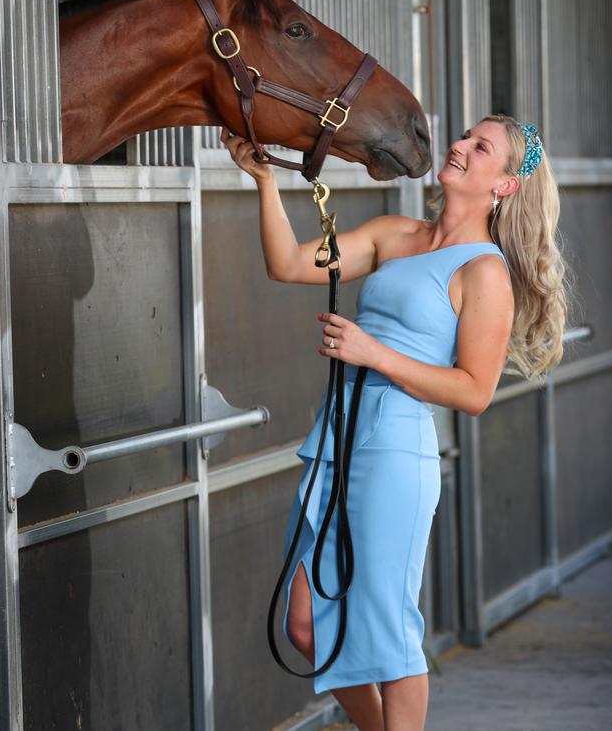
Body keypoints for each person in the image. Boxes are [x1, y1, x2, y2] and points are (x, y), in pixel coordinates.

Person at [220, 115, 567, 731]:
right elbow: (289, 265)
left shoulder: (484, 272)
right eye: (464, 136)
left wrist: (374, 354)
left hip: (396, 457)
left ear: (505, 186)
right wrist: (265, 182)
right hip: (337, 443)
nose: (458, 146)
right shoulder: (393, 233)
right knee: (304, 620)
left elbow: (474, 391)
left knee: (387, 630)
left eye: (479, 147)